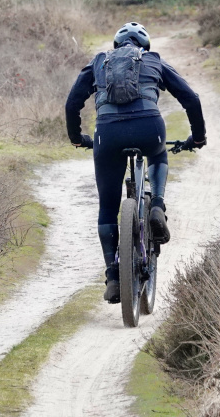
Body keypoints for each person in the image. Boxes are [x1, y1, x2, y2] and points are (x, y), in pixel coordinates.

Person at [65, 22, 207, 303]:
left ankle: (114, 277)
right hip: (148, 127)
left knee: (107, 207)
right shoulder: (153, 61)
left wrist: (77, 138)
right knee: (157, 153)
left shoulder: (98, 62)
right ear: (145, 47)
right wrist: (198, 137)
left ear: (116, 47)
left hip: (108, 133)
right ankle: (156, 205)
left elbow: (72, 103)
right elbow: (191, 98)